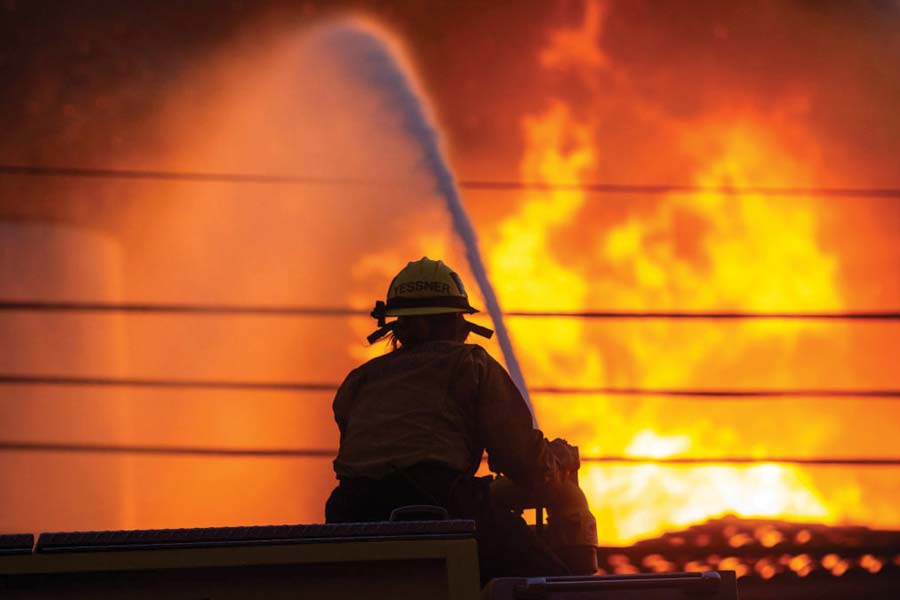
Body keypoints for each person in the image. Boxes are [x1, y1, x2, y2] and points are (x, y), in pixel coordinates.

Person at [325, 257, 597, 580]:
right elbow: (523, 460)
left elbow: (365, 450)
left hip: (350, 516)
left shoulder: (359, 381)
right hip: (441, 506)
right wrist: (555, 464)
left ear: (396, 327)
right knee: (547, 579)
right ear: (454, 322)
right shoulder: (472, 365)